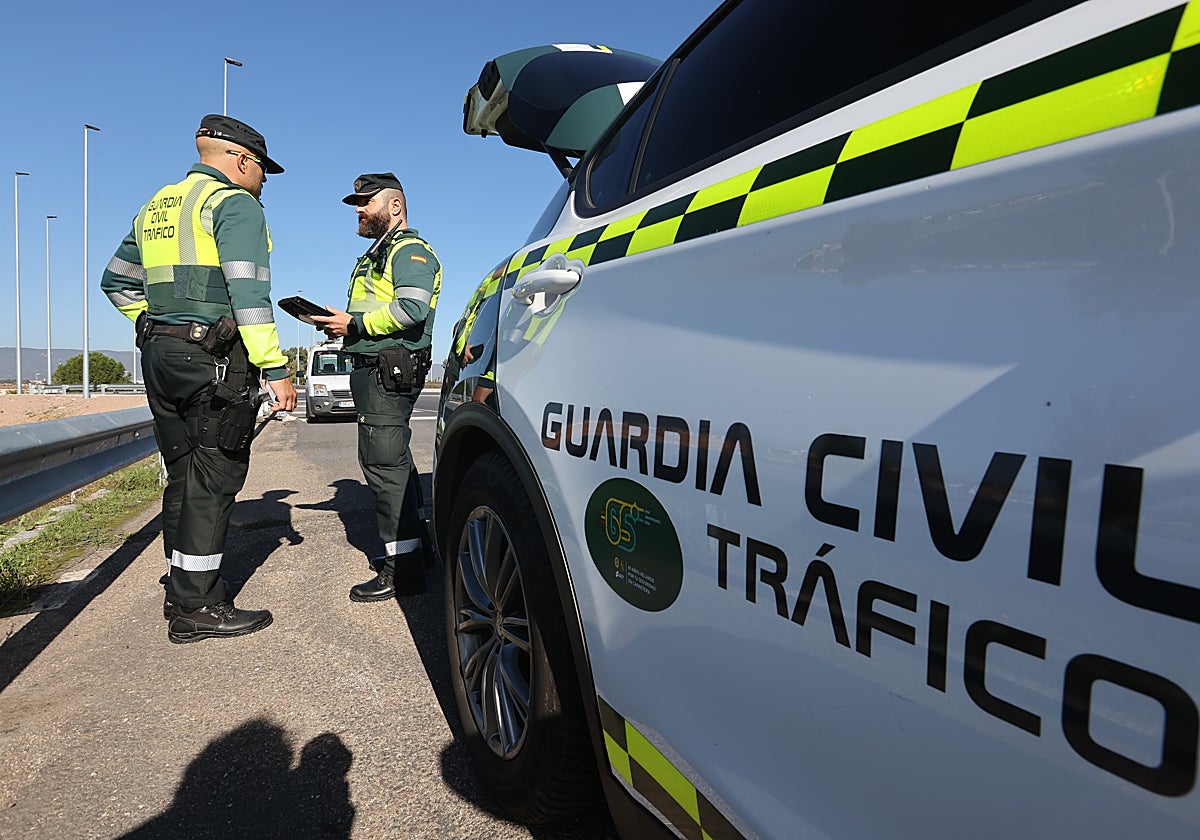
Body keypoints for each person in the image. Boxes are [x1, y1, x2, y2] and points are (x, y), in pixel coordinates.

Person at [100, 114, 297, 643]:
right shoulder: (234, 204)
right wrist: (276, 369)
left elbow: (115, 281)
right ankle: (199, 606)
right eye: (263, 171)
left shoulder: (156, 205)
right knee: (217, 472)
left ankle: (182, 585)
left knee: (183, 471)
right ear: (243, 161)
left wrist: (151, 324)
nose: (263, 183)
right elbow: (250, 296)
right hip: (212, 358)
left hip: (159, 354)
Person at [311, 173, 440, 602]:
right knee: (394, 461)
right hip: (374, 366)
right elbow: (377, 314)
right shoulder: (376, 254)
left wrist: (356, 324)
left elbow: (411, 308)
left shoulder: (409, 250)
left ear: (395, 207)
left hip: (390, 372)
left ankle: (402, 570)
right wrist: (344, 329)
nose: (359, 210)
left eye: (366, 202)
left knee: (382, 464)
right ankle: (419, 551)